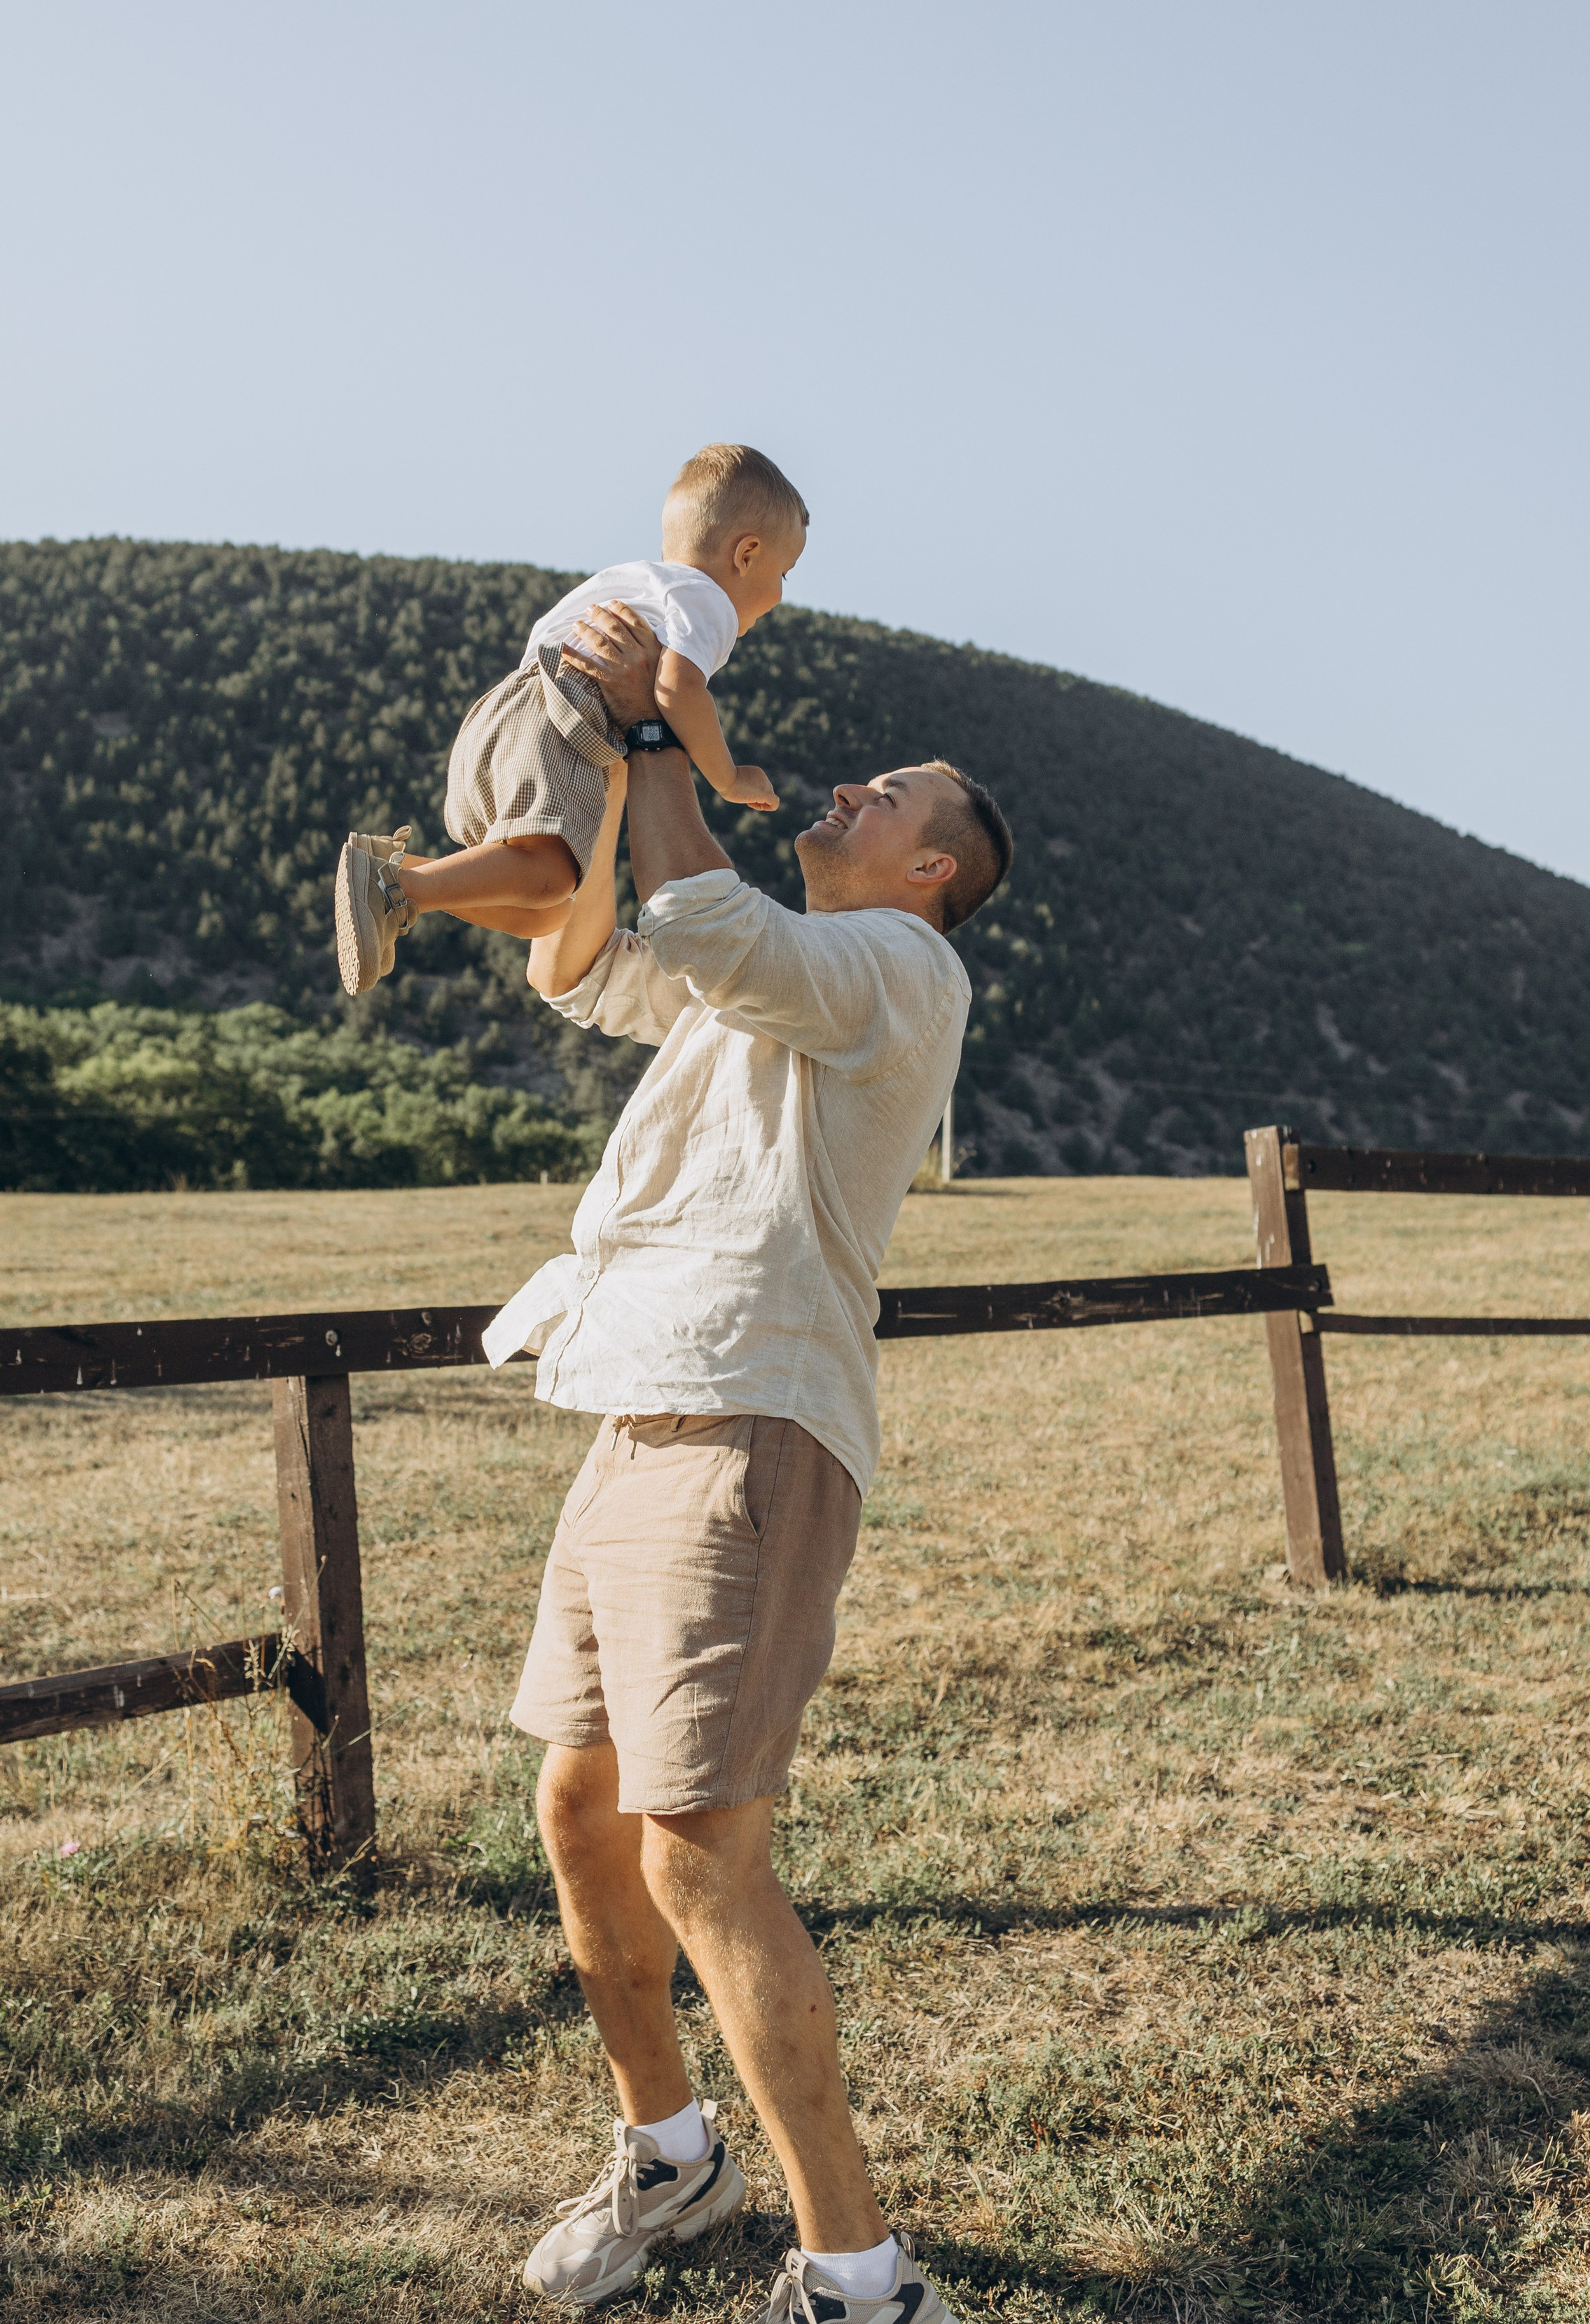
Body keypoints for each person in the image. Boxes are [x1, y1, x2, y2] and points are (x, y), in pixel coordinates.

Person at [482, 603, 1014, 2320]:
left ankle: (859, 2277)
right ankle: (671, 2157)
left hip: (744, 1424)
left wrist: (655, 736)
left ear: (930, 870)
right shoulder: (779, 976)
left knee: (700, 1855)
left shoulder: (896, 972)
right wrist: (558, 771)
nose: (846, 785)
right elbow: (595, 962)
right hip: (633, 1405)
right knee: (578, 1811)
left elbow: (700, 913)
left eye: (886, 795)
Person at [331, 443, 806, 995]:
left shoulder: (631, 581)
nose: (779, 595)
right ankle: (398, 888)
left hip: (505, 715)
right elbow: (679, 688)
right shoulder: (706, 600)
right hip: (562, 719)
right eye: (785, 573)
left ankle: (396, 872)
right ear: (746, 554)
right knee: (550, 876)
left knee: (546, 911)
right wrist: (729, 777)